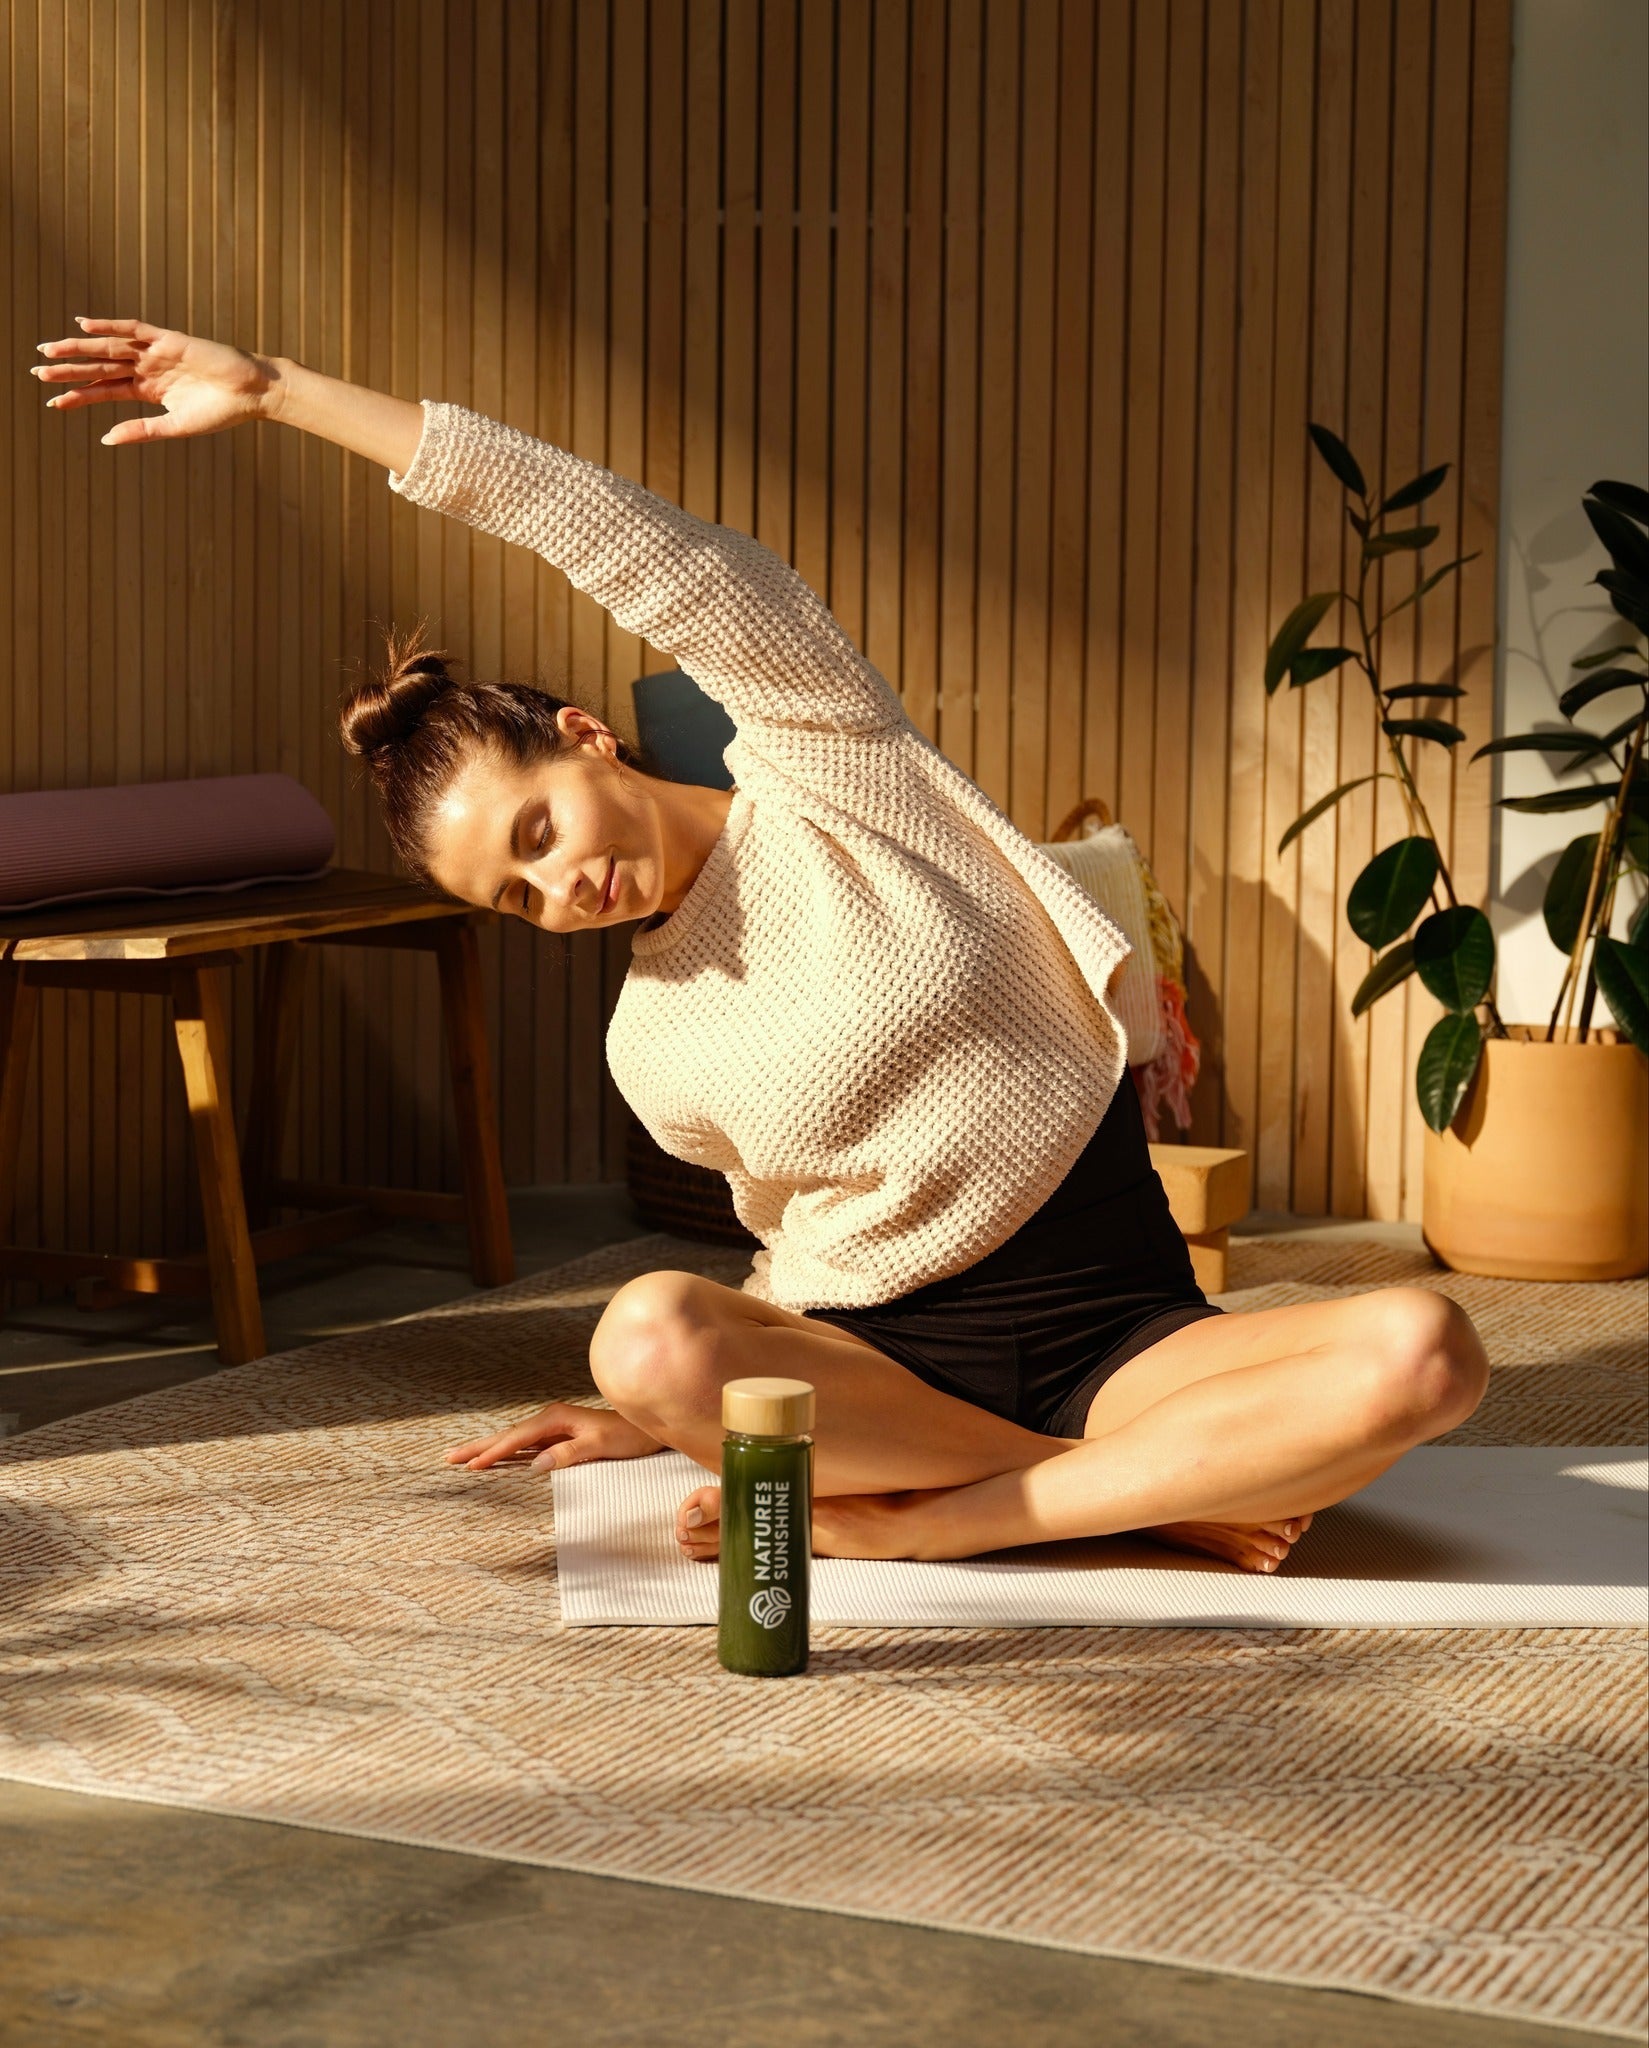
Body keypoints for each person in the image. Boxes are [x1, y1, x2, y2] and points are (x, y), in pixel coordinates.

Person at [34, 317, 1490, 1571]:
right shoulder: (648, 1039)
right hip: (886, 1365)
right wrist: (654, 1414)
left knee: (1426, 1352)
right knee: (649, 1334)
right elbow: (788, 1256)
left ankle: (953, 1516)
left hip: (1124, 1328)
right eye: (516, 902)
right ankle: (1127, 1496)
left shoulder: (825, 757)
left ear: (586, 737)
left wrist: (283, 389)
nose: (560, 896)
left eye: (538, 836)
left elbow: (629, 539)